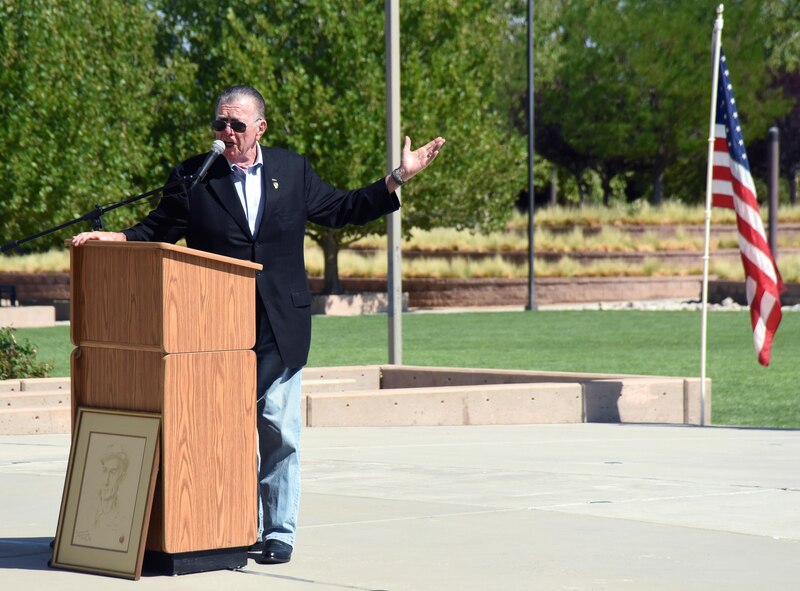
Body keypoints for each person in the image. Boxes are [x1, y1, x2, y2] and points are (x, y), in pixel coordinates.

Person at [72, 85, 445, 565]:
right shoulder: (194, 175)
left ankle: (279, 532)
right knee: (215, 429)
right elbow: (158, 228)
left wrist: (397, 178)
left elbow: (340, 210)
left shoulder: (292, 170)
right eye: (220, 124)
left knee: (279, 431)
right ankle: (224, 523)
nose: (227, 133)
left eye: (237, 125)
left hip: (279, 322)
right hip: (211, 323)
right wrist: (117, 236)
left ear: (259, 128)